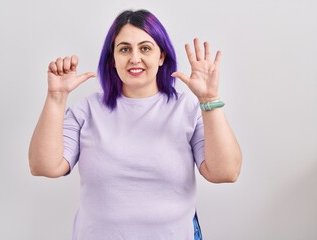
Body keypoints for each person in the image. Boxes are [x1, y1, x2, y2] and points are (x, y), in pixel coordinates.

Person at [28, 9, 242, 240]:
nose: (135, 58)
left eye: (145, 48)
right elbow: (44, 167)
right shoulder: (87, 110)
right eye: (124, 49)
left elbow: (226, 172)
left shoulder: (187, 109)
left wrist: (208, 100)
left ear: (161, 56)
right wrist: (56, 97)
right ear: (112, 59)